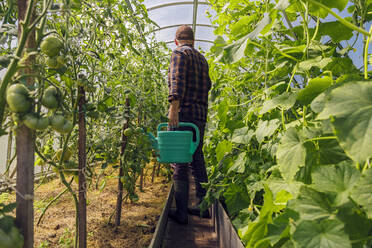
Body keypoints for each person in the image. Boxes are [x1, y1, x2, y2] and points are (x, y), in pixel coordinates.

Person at [167, 25, 212, 225]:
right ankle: (204, 207)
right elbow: (208, 86)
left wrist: (173, 109)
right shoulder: (202, 60)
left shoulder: (179, 53)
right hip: (200, 116)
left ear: (177, 40)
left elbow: (177, 82)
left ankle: (182, 213)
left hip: (183, 114)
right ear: (193, 40)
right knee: (197, 158)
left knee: (180, 161)